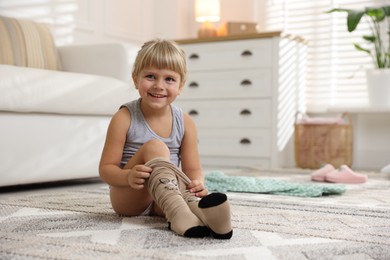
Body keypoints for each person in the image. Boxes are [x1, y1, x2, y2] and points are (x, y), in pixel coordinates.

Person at [99, 39, 232, 239]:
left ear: (180, 86)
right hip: (129, 196)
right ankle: (180, 213)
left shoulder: (185, 122)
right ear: (136, 79)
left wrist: (196, 182)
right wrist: (127, 176)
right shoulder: (124, 117)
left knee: (186, 191)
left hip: (163, 197)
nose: (159, 86)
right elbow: (106, 169)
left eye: (169, 79)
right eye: (150, 76)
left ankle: (208, 218)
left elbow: (192, 168)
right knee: (155, 146)